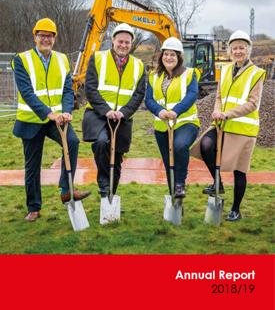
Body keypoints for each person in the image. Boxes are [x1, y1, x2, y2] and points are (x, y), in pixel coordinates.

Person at [12, 18, 90, 221]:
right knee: (32, 165)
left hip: (57, 119)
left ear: (54, 38)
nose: (45, 39)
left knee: (72, 142)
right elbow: (27, 93)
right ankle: (34, 207)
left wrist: (65, 111)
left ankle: (66, 189)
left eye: (49, 35)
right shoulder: (21, 60)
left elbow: (66, 90)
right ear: (35, 37)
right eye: (42, 35)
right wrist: (49, 113)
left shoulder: (62, 59)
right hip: (31, 120)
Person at [192, 30, 266, 221]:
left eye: (242, 47)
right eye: (235, 48)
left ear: (248, 50)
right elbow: (219, 96)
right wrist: (218, 110)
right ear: (229, 50)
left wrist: (227, 113)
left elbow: (252, 104)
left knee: (239, 171)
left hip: (244, 129)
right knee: (206, 145)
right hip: (222, 125)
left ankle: (235, 209)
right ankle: (218, 183)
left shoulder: (256, 74)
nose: (238, 51)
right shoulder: (224, 70)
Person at [82, 23, 145, 198]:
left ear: (131, 44)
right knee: (102, 143)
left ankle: (110, 196)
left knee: (116, 159)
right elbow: (90, 89)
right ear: (113, 40)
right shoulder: (97, 58)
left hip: (122, 118)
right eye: (120, 41)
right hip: (98, 114)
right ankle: (103, 183)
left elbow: (139, 94)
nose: (123, 45)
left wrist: (124, 112)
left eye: (127, 42)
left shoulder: (139, 65)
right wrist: (106, 110)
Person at [145, 37, 200, 198]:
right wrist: (159, 111)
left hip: (185, 122)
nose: (169, 57)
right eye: (166, 54)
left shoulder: (189, 74)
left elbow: (192, 95)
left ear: (179, 57)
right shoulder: (153, 76)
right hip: (162, 125)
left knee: (180, 146)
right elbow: (149, 99)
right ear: (161, 56)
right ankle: (174, 196)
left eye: (173, 55)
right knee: (169, 162)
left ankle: (180, 184)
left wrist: (176, 111)